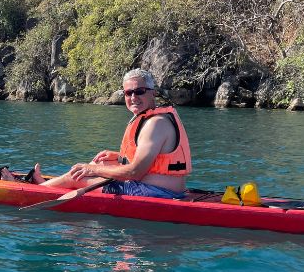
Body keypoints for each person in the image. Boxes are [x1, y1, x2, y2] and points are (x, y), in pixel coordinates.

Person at [28, 68, 191, 199]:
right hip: (165, 190)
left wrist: (93, 170)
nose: (133, 97)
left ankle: (35, 191)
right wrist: (119, 158)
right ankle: (45, 185)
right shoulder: (153, 119)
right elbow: (152, 160)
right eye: (128, 93)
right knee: (100, 164)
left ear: (152, 93)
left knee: (77, 176)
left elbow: (135, 172)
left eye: (139, 91)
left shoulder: (155, 123)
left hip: (155, 193)